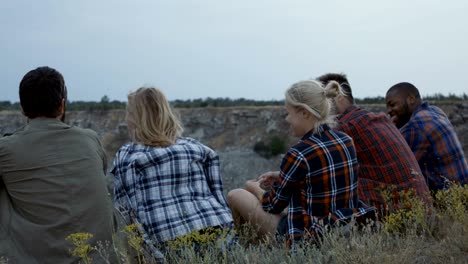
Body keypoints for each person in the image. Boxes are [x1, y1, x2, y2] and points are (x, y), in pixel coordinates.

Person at [227, 80, 375, 248]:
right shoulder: (346, 140)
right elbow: (323, 175)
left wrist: (253, 187)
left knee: (236, 194)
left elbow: (273, 205)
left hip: (309, 237)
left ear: (304, 113)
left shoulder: (299, 153)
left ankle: (251, 250)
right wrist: (280, 176)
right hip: (343, 224)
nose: (287, 119)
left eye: (289, 113)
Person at [0, 66, 115, 263]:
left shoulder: (6, 149)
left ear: (22, 108)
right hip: (99, 258)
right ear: (62, 105)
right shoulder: (90, 139)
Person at [111, 87, 234, 256]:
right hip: (214, 232)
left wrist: (155, 256)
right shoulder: (196, 148)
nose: (126, 119)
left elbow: (128, 214)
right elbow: (218, 197)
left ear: (136, 119)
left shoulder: (129, 156)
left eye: (129, 113)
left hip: (167, 244)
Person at [316, 73, 431, 211]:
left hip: (402, 217)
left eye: (321, 101)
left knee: (327, 187)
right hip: (419, 211)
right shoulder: (375, 119)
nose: (318, 109)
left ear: (339, 97)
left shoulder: (347, 127)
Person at [386, 82, 468, 192]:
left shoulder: (415, 126)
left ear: (411, 99)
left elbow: (395, 170)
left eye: (392, 105)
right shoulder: (435, 111)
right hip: (462, 191)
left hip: (448, 200)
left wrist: (391, 129)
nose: (388, 111)